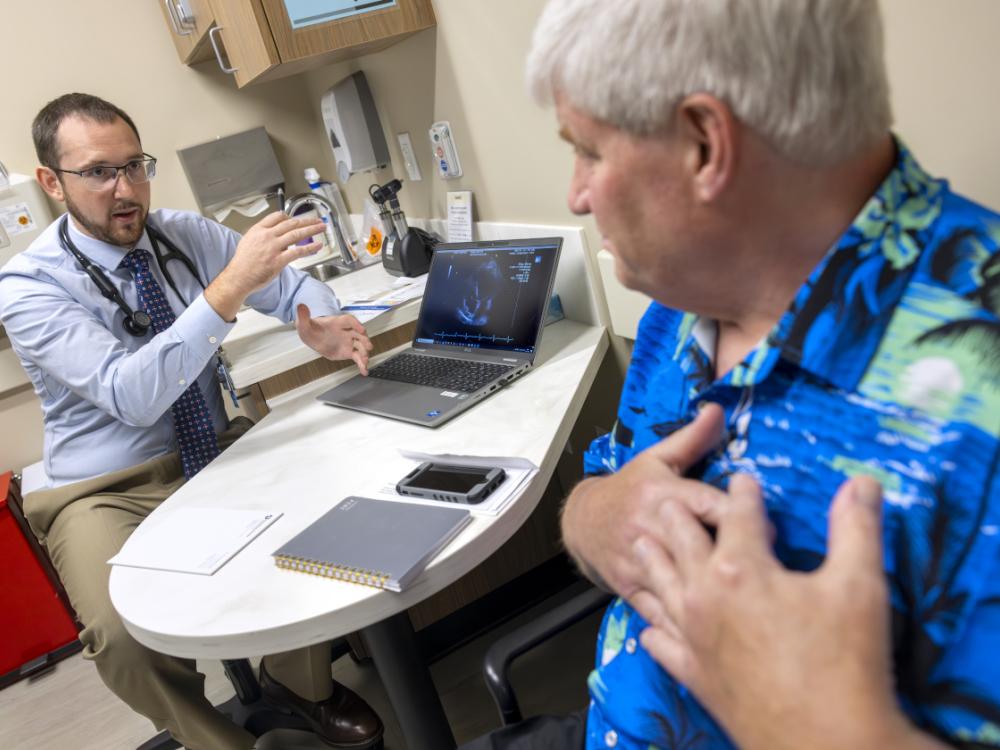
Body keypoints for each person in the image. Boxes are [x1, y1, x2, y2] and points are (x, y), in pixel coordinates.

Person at [466, 1, 1000, 748]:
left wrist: (830, 729)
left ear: (703, 144)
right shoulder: (686, 299)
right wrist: (596, 516)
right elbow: (602, 492)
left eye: (587, 150)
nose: (576, 195)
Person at [0, 93, 382, 750]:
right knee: (121, 640)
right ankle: (214, 741)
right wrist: (229, 289)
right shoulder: (27, 287)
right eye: (98, 172)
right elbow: (131, 394)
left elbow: (292, 287)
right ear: (51, 183)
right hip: (102, 489)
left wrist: (317, 319)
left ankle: (298, 689)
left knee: (330, 519)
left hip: (213, 448)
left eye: (134, 166)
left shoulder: (186, 234)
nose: (126, 190)